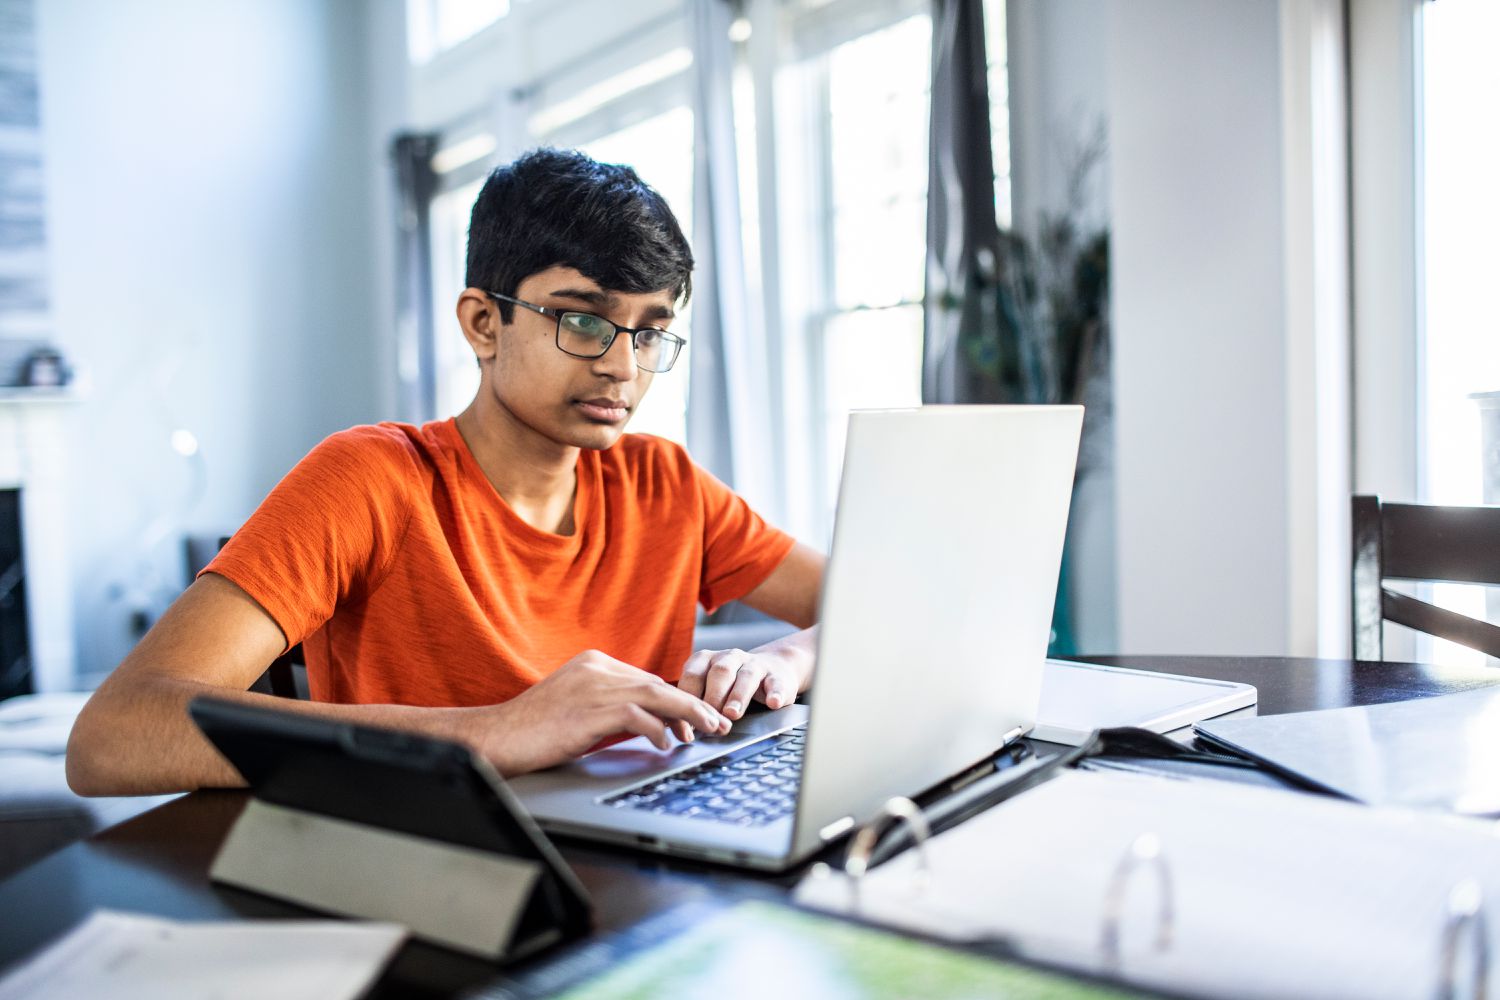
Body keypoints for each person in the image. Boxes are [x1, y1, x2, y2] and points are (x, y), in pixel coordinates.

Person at [67, 148, 825, 796]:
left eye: (650, 331)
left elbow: (884, 608)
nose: (622, 366)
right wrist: (496, 731)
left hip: (648, 854)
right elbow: (115, 734)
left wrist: (785, 658)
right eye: (583, 321)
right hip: (436, 863)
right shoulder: (372, 479)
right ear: (483, 323)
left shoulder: (665, 484)